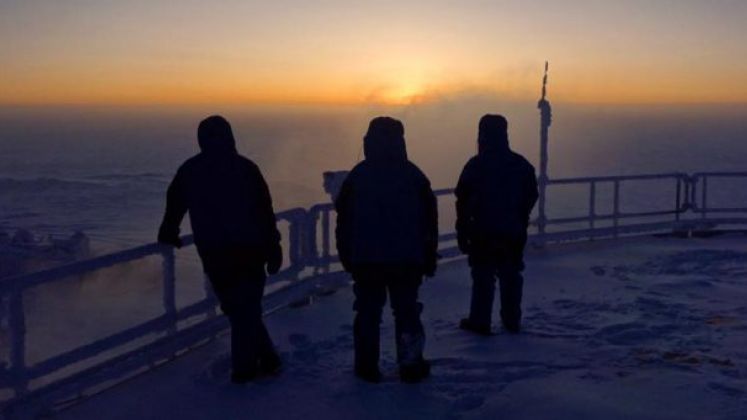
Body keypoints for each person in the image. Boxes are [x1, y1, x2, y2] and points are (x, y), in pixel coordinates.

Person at [158, 115, 282, 384]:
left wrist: (169, 231)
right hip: (251, 251)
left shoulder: (191, 170)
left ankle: (256, 364)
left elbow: (175, 203)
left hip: (216, 254)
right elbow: (264, 212)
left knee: (240, 310)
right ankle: (251, 368)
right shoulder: (246, 168)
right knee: (246, 309)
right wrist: (273, 248)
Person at [335, 117, 438, 383]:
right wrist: (428, 256)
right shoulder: (414, 176)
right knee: (407, 312)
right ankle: (411, 364)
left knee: (368, 313)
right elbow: (429, 219)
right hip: (407, 260)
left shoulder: (357, 178)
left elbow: (344, 221)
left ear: (368, 141)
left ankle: (366, 367)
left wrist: (347, 255)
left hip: (367, 260)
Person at [455, 114, 538, 335]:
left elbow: (462, 199)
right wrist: (520, 215)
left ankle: (480, 321)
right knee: (510, 275)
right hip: (512, 231)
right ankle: (511, 320)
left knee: (483, 276)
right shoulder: (520, 165)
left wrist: (463, 229)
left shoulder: (476, 165)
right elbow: (532, 193)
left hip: (483, 231)